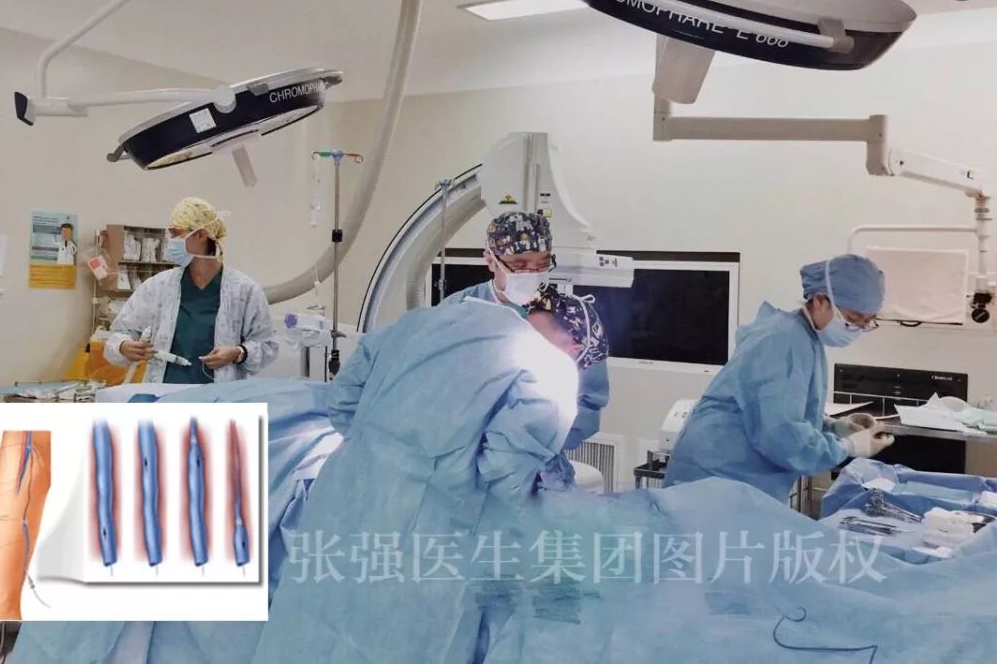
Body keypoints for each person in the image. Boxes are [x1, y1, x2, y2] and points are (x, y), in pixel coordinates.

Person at [253, 289, 609, 664]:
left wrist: (377, 457)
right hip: (430, 535)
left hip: (344, 508)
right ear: (575, 346)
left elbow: (341, 403)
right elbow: (505, 472)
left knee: (311, 629)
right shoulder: (549, 368)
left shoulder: (413, 325)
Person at [664, 254, 895, 503]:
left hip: (735, 481)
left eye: (867, 322)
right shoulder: (784, 340)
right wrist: (847, 447)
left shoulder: (805, 338)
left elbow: (787, 413)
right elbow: (782, 435)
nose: (858, 329)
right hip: (716, 479)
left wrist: (837, 427)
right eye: (852, 319)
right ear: (820, 300)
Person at [441, 211, 610, 451]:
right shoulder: (455, 312)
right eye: (519, 265)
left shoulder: (576, 316)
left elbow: (590, 402)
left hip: (542, 453)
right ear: (491, 259)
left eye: (542, 264)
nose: (532, 274)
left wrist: (537, 442)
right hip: (463, 452)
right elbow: (436, 389)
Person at [104, 197, 278, 384]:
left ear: (201, 235)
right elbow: (121, 332)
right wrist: (123, 346)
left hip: (219, 395)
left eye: (176, 233)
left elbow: (267, 345)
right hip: (164, 392)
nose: (170, 241)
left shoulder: (244, 290)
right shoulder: (158, 286)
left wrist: (238, 352)